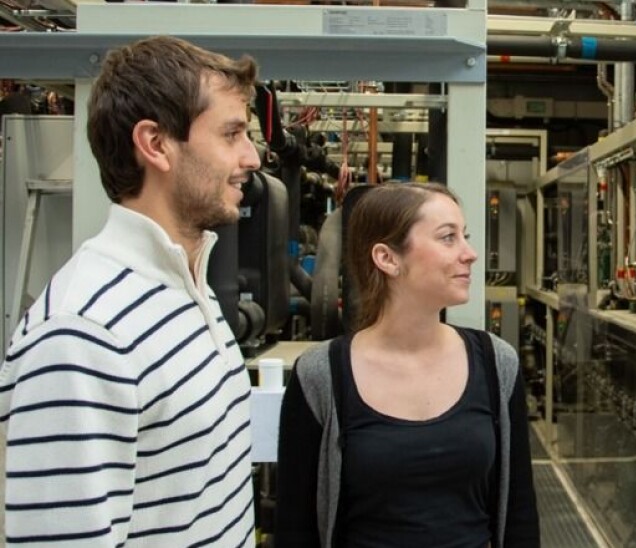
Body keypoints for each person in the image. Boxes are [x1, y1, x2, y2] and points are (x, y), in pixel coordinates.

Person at [0, 36, 261, 545]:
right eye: (231, 134)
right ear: (155, 144)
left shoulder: (187, 288)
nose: (251, 157)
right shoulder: (83, 331)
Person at [276, 183, 540, 547]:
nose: (470, 254)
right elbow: (295, 528)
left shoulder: (497, 363)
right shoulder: (320, 375)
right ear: (387, 258)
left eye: (465, 236)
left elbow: (520, 517)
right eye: (448, 238)